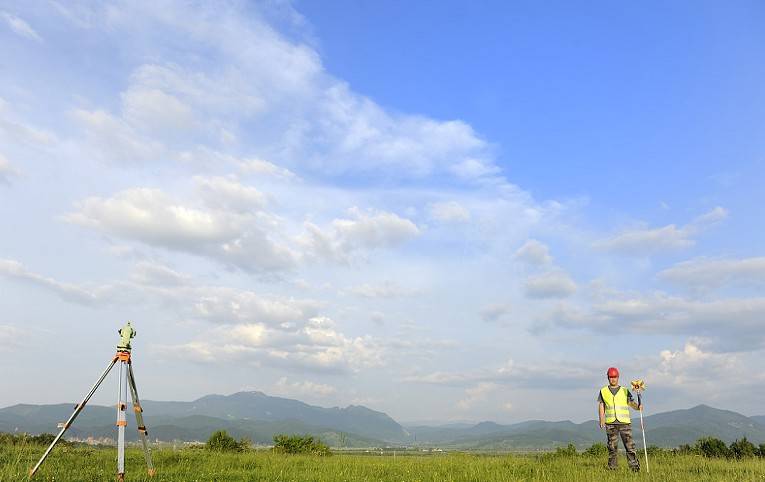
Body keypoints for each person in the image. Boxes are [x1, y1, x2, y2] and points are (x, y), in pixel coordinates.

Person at [597, 367, 642, 471]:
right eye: (611, 377)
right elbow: (601, 405)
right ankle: (612, 469)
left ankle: (635, 468)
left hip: (624, 423)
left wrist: (638, 407)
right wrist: (601, 418)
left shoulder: (625, 390)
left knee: (630, 447)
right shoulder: (603, 391)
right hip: (610, 423)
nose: (613, 379)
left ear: (618, 377)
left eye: (615, 377)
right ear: (608, 378)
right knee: (612, 448)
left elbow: (631, 403)